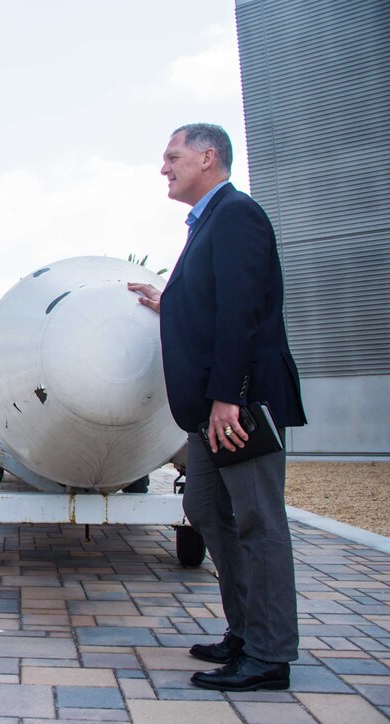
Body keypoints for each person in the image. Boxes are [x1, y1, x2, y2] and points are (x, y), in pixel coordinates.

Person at [129, 123, 306, 693]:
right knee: (206, 509)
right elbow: (210, 300)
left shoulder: (236, 215)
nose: (164, 167)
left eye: (172, 156)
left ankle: (270, 655)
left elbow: (241, 311)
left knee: (259, 523)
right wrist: (170, 302)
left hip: (240, 404)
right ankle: (246, 631)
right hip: (210, 410)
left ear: (208, 157)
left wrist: (231, 395)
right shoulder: (207, 222)